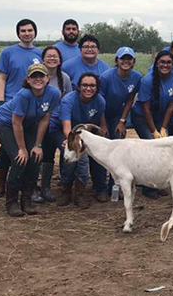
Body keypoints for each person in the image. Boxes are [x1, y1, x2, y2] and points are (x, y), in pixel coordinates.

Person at [0, 64, 61, 217]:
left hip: (29, 124)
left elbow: (45, 119)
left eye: (41, 76)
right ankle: (12, 202)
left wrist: (38, 145)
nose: (38, 79)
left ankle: (26, 200)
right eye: (34, 76)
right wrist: (22, 148)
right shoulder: (24, 95)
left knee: (35, 157)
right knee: (19, 159)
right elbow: (16, 122)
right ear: (28, 80)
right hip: (5, 124)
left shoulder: (54, 93)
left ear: (47, 78)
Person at [0, 19, 42, 199]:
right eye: (23, 31)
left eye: (30, 30)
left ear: (35, 32)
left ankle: (28, 186)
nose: (27, 33)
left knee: (28, 145)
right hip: (12, 102)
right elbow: (2, 77)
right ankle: (0, 182)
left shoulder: (39, 53)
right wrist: (1, 100)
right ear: (18, 33)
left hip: (31, 106)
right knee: (7, 147)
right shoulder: (8, 52)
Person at [132, 51, 173, 198]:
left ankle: (158, 183)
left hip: (161, 117)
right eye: (162, 62)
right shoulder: (148, 80)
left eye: (168, 62)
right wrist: (154, 131)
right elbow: (145, 108)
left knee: (162, 150)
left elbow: (171, 107)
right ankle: (147, 187)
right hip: (142, 117)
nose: (165, 65)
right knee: (150, 147)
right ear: (157, 64)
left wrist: (163, 128)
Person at [56, 73, 108, 208]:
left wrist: (102, 128)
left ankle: (79, 193)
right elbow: (66, 126)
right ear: (78, 87)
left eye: (92, 85)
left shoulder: (100, 101)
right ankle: (65, 190)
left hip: (83, 131)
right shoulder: (69, 100)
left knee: (83, 159)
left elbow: (98, 117)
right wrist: (72, 141)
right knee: (72, 155)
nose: (88, 88)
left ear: (97, 88)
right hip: (62, 130)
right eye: (85, 85)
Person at [99, 46, 142, 198]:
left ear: (133, 61)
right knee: (103, 150)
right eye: (122, 58)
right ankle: (100, 187)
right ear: (116, 60)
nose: (126, 61)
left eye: (129, 59)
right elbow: (100, 102)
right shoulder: (106, 77)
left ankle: (115, 185)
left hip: (118, 114)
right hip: (101, 113)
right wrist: (103, 125)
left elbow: (130, 98)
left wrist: (122, 120)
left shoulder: (136, 77)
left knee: (117, 149)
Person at [33, 46, 72, 204]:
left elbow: (68, 102)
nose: (52, 59)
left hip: (56, 123)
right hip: (37, 123)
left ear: (60, 60)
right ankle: (33, 188)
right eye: (48, 56)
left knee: (57, 153)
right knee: (37, 154)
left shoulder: (65, 78)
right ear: (42, 59)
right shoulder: (35, 77)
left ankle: (49, 187)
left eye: (55, 56)